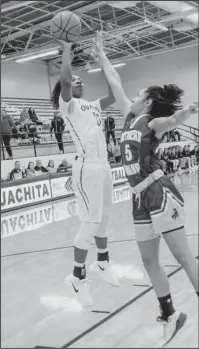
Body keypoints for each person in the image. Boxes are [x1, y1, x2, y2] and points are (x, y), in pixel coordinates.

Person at [93, 30, 198, 345]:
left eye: (139, 96)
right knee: (149, 261)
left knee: (184, 257)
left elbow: (171, 121)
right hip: (139, 199)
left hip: (160, 193)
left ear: (148, 102)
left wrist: (187, 112)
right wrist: (100, 51)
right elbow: (114, 81)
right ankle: (170, 316)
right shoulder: (129, 118)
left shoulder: (151, 122)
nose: (134, 98)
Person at [50, 38, 119, 306]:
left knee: (105, 218)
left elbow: (114, 94)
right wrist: (67, 50)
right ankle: (77, 278)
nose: (79, 82)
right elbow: (65, 82)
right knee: (90, 222)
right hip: (86, 167)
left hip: (103, 165)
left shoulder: (92, 104)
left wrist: (102, 60)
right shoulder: (66, 104)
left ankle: (102, 262)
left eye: (81, 80)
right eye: (76, 80)